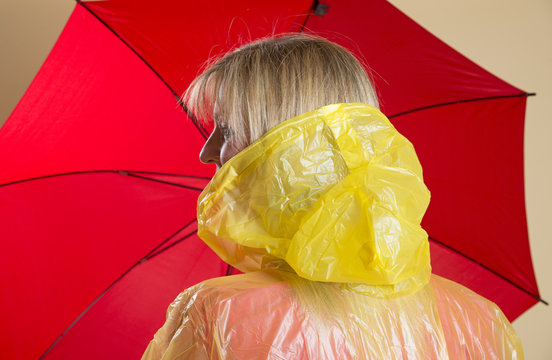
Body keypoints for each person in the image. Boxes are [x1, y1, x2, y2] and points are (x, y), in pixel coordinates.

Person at [142, 34, 523, 359]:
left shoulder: (218, 315)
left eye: (225, 129)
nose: (207, 153)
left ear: (287, 144)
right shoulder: (479, 322)